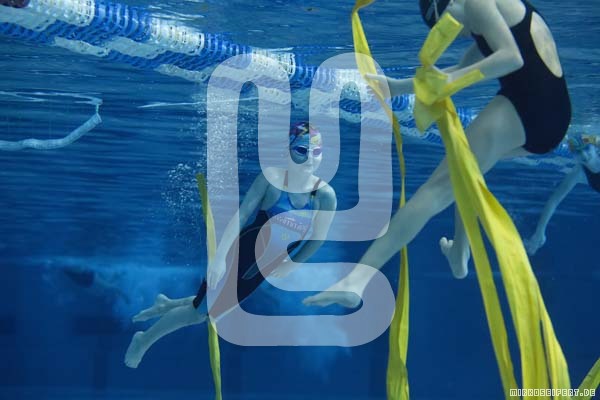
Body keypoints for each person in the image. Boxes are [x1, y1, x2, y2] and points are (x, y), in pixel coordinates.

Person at [304, 0, 571, 308]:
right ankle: (460, 250)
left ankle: (356, 282)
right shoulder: (495, 11)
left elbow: (510, 59)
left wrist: (449, 83)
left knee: (434, 190)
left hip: (529, 109)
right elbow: (456, 71)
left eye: (449, 26)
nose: (462, 35)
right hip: (552, 116)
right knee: (465, 176)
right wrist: (399, 87)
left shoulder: (477, 2)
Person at [124, 122, 336, 368]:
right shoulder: (272, 179)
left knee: (213, 307)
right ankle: (144, 340)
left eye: (316, 152)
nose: (310, 158)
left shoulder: (325, 195)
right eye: (301, 150)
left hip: (262, 269)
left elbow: (318, 238)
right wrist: (219, 259)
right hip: (240, 254)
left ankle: (167, 305)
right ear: (287, 151)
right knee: (200, 314)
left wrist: (293, 263)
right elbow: (241, 215)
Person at [525, 135, 600, 255]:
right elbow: (553, 201)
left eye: (586, 149)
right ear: (574, 156)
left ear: (595, 148)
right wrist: (540, 231)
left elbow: (595, 139)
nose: (584, 155)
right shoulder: (578, 172)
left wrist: (592, 139)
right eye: (578, 152)